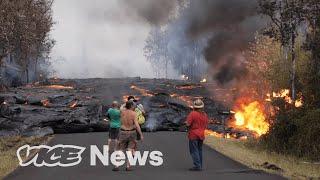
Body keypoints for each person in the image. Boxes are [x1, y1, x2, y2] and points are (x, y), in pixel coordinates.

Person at [113, 100, 144, 171]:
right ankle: (128, 166)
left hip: (123, 132)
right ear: (131, 106)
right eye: (133, 105)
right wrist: (141, 134)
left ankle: (116, 165)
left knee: (120, 149)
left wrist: (125, 104)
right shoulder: (134, 113)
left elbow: (121, 107)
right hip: (132, 133)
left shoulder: (122, 112)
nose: (134, 106)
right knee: (130, 149)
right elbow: (136, 125)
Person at [185, 99, 209, 171]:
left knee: (194, 150)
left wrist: (187, 127)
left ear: (194, 106)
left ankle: (197, 166)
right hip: (201, 135)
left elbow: (188, 124)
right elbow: (206, 125)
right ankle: (200, 165)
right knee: (199, 150)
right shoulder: (205, 115)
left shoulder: (192, 114)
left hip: (193, 135)